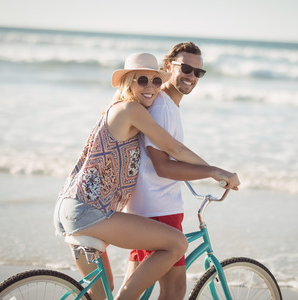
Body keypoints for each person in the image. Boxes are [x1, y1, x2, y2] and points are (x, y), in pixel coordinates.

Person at [53, 52, 225, 300]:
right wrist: (215, 171)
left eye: (156, 81)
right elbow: (173, 148)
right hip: (89, 211)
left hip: (69, 208)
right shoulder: (132, 109)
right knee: (177, 244)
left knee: (101, 294)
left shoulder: (116, 110)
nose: (151, 88)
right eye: (142, 80)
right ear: (128, 82)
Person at [124, 42, 240, 299]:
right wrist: (213, 172)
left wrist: (212, 170)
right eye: (186, 68)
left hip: (146, 207)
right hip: (158, 210)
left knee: (137, 291)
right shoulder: (163, 107)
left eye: (198, 72)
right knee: (174, 291)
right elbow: (163, 166)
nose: (191, 76)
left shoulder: (165, 104)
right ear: (168, 66)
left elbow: (173, 153)